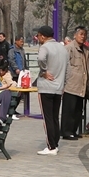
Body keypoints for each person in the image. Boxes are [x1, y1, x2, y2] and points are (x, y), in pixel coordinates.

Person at [34, 24, 68, 153]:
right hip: (59, 87)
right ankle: (55, 142)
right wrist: (64, 83)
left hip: (46, 87)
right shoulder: (62, 48)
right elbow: (68, 68)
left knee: (47, 117)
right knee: (54, 117)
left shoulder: (44, 47)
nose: (38, 39)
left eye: (38, 36)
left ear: (43, 36)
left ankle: (51, 146)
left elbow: (41, 58)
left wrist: (43, 71)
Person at [61, 26, 89, 140]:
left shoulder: (87, 50)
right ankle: (66, 132)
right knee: (69, 109)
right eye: (81, 34)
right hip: (71, 85)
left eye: (85, 34)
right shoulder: (69, 48)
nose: (83, 37)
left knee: (78, 110)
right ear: (75, 35)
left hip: (82, 86)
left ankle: (73, 130)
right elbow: (63, 65)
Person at [7, 36, 31, 118]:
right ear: (16, 41)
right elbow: (11, 60)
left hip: (22, 74)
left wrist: (27, 70)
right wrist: (16, 68)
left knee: (21, 94)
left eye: (23, 41)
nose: (22, 42)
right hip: (15, 74)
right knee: (15, 93)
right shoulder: (12, 50)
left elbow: (24, 60)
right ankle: (10, 110)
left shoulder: (22, 50)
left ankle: (14, 109)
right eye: (21, 41)